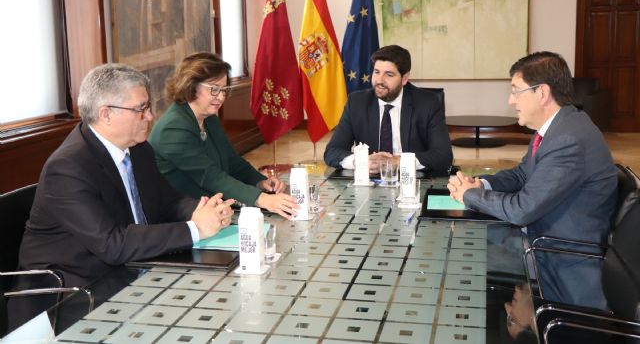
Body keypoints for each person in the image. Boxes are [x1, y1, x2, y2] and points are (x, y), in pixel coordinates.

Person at [18, 64, 234, 287]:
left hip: (134, 268)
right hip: (74, 290)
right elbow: (112, 245)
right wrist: (195, 229)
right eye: (140, 109)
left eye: (148, 106)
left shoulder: (138, 148)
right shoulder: (68, 169)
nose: (150, 116)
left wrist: (205, 211)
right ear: (106, 114)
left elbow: (168, 202)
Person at [448, 51, 617, 310]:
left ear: (542, 93)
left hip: (555, 255)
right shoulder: (559, 128)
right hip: (541, 237)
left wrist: (470, 195)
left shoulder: (568, 139)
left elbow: (522, 210)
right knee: (460, 239)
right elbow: (522, 174)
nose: (510, 100)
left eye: (516, 91)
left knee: (456, 254)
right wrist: (481, 184)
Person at [148, 52, 298, 219]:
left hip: (211, 206)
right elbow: (212, 177)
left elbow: (233, 162)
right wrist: (261, 199)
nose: (220, 97)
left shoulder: (208, 117)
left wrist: (260, 181)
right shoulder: (173, 129)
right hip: (180, 215)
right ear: (191, 85)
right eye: (214, 89)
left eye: (224, 90)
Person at [324, 45, 453, 175]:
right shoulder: (357, 102)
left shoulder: (427, 103)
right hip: (371, 181)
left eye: (389, 75)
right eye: (376, 72)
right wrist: (362, 161)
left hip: (412, 180)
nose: (379, 80)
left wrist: (400, 161)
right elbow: (332, 151)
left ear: (405, 78)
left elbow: (443, 156)